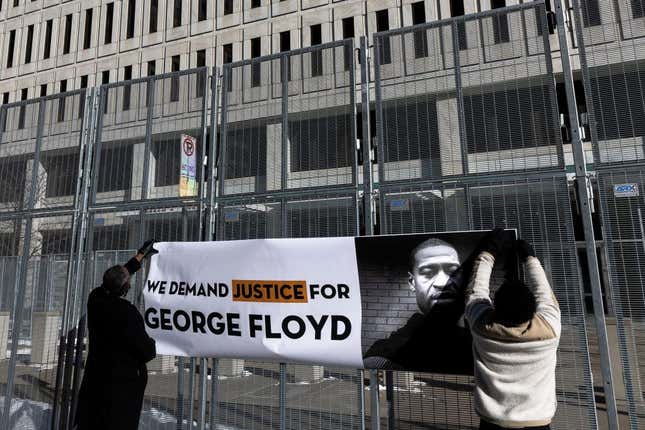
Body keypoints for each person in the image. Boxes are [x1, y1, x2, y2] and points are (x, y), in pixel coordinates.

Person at [465, 231, 561, 430]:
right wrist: (530, 257)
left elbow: (476, 289)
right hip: (538, 421)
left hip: (492, 422)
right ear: (532, 310)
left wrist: (489, 251)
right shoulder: (549, 329)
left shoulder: (482, 327)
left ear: (495, 308)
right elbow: (544, 293)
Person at [74, 240, 159, 430]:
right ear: (124, 288)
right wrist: (153, 343)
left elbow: (117, 277)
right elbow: (146, 351)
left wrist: (139, 256)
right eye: (128, 281)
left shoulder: (95, 299)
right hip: (122, 387)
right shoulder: (127, 313)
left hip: (97, 379)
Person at [363, 238, 474, 374]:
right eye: (428, 273)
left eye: (453, 272)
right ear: (412, 282)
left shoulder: (486, 339)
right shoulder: (386, 355)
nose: (443, 282)